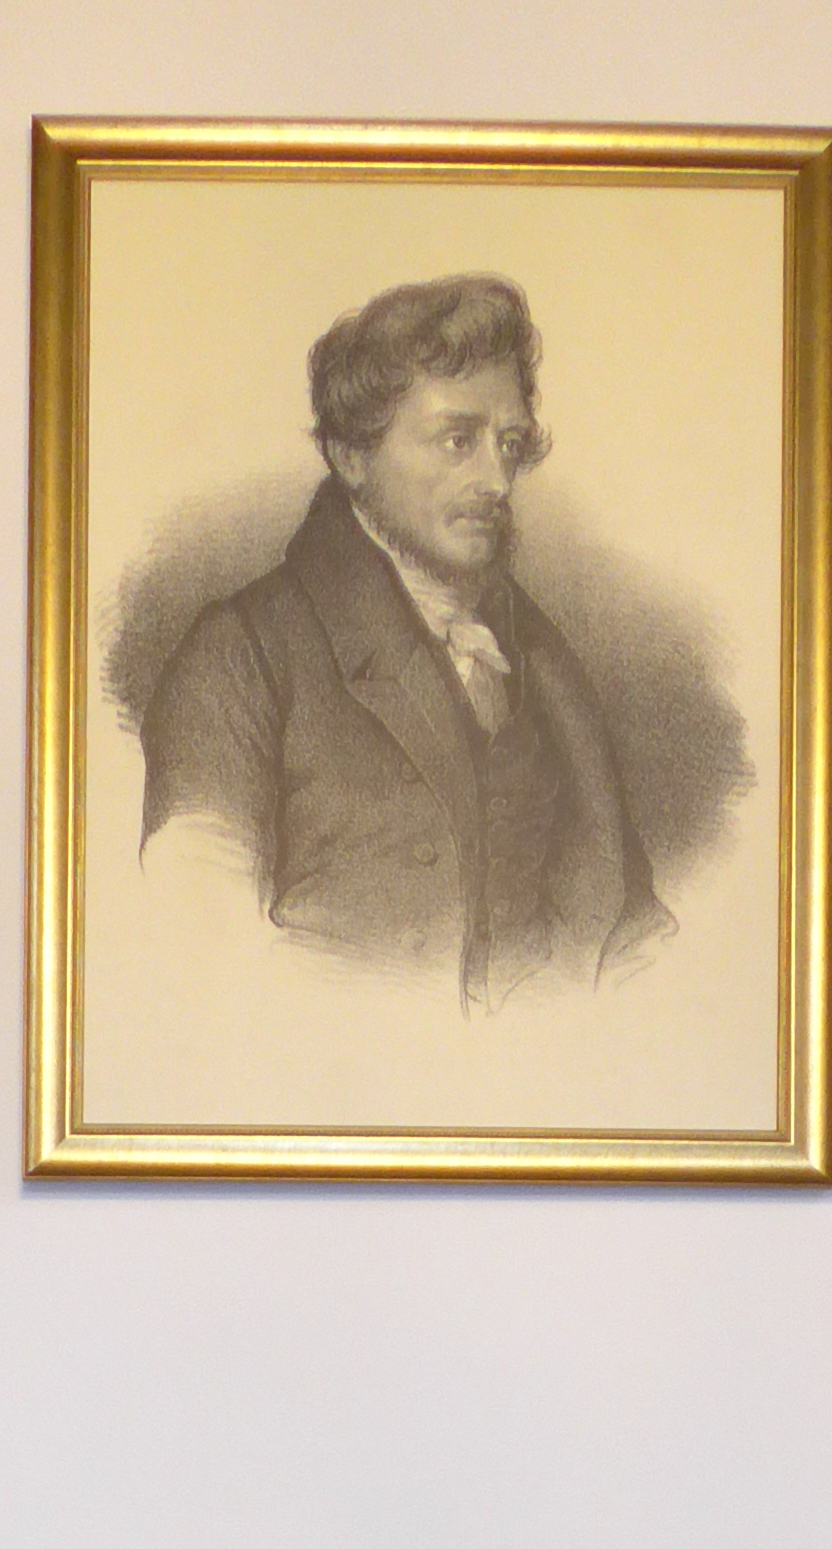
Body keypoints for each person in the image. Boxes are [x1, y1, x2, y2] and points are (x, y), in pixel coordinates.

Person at [138, 273, 673, 1005]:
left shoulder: (547, 668)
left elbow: (635, 934)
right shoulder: (239, 656)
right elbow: (195, 956)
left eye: (509, 444)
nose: (497, 480)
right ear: (352, 455)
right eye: (457, 440)